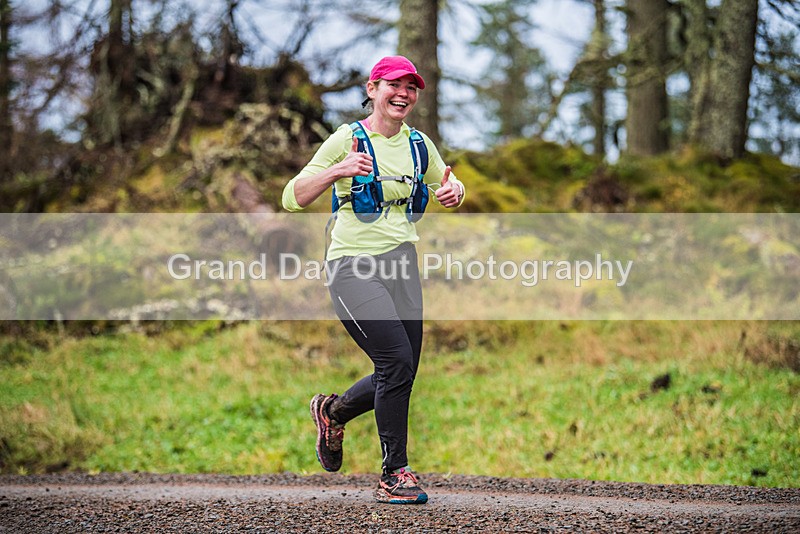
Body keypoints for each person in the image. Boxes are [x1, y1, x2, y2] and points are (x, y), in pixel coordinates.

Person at [281, 56, 465, 505]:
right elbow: (292, 197)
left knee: (401, 369)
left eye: (411, 87)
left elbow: (449, 183)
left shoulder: (420, 145)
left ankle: (333, 411)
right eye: (393, 86)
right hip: (352, 266)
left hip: (402, 264)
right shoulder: (348, 138)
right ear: (373, 88)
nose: (403, 94)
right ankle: (393, 474)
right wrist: (337, 171)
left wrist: (455, 191)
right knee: (396, 361)